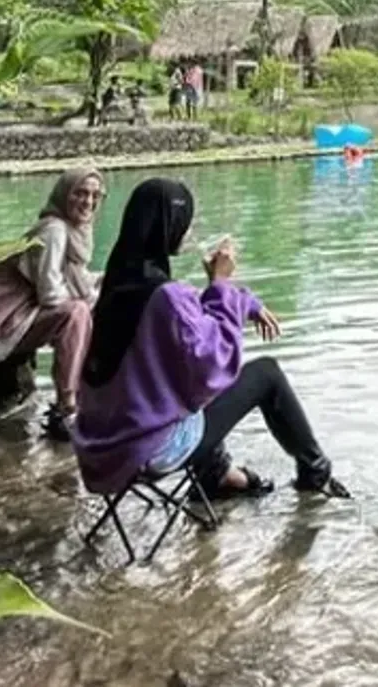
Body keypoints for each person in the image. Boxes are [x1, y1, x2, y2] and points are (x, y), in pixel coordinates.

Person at [73, 178, 351, 501]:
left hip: (99, 451)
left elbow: (189, 324)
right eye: (184, 223)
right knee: (266, 375)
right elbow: (216, 363)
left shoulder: (118, 284)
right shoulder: (165, 296)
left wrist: (243, 301)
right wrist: (220, 281)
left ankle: (220, 476)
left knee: (186, 385)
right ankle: (316, 475)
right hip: (147, 452)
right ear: (168, 225)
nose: (188, 232)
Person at [0, 167, 105, 441]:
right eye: (81, 193)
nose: (88, 202)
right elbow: (51, 294)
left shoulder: (75, 231)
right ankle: (66, 407)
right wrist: (89, 296)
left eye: (96, 195)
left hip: (20, 316)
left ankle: (91, 393)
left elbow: (77, 280)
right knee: (78, 313)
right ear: (64, 195)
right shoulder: (54, 231)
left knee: (93, 304)